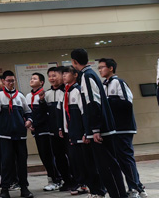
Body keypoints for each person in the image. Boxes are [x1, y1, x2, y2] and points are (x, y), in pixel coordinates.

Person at [71, 48, 127, 198]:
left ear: (74, 62)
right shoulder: (90, 74)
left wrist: (95, 129)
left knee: (107, 167)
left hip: (101, 130)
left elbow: (93, 102)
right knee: (106, 167)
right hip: (99, 128)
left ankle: (119, 195)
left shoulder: (87, 76)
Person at [99, 59, 147, 198]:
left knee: (126, 158)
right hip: (113, 129)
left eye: (102, 67)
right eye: (99, 67)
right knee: (121, 160)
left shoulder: (118, 82)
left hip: (123, 127)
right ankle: (138, 187)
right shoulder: (104, 85)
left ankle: (135, 188)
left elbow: (127, 102)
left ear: (111, 68)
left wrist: (107, 101)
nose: (100, 70)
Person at [0, 71, 34, 198]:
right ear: (3, 81)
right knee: (6, 163)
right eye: (8, 81)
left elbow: (28, 112)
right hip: (5, 135)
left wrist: (29, 120)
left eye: (12, 80)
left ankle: (24, 188)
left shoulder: (20, 96)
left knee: (22, 162)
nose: (10, 83)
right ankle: (4, 189)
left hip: (20, 135)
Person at [25, 73, 61, 191]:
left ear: (41, 82)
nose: (32, 80)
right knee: (43, 156)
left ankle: (56, 180)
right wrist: (29, 122)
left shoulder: (45, 94)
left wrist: (35, 123)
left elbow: (45, 113)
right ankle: (52, 179)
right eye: (31, 78)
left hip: (45, 130)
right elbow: (28, 113)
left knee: (49, 156)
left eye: (35, 78)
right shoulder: (28, 96)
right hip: (36, 130)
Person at [60, 66, 92, 196]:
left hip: (80, 132)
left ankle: (88, 183)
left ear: (75, 75)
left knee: (84, 160)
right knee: (75, 160)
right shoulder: (66, 92)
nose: (64, 76)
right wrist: (64, 128)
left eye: (67, 73)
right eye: (63, 74)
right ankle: (80, 183)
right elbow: (65, 113)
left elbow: (84, 112)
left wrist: (86, 132)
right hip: (71, 132)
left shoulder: (78, 90)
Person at [44, 66, 73, 191]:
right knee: (59, 157)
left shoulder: (67, 91)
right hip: (53, 132)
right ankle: (66, 181)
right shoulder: (46, 94)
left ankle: (76, 180)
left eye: (55, 75)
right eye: (50, 76)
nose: (52, 78)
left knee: (71, 156)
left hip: (67, 131)